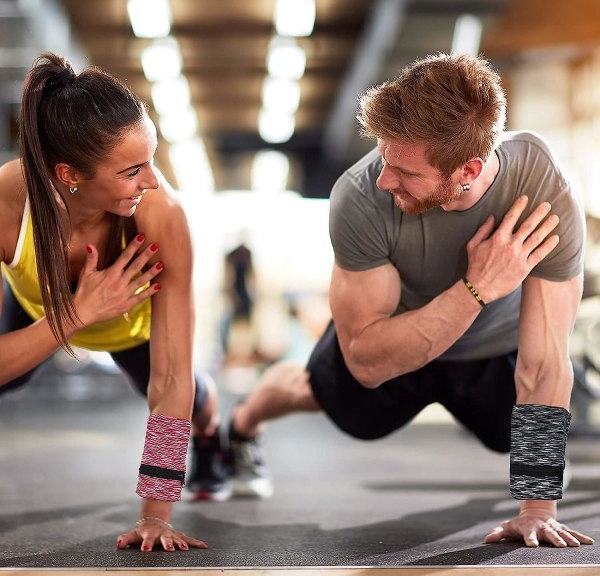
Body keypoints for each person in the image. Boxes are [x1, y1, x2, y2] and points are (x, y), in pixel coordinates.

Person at [224, 53, 595, 548]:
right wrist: (476, 288)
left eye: (403, 170)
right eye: (383, 157)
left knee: (525, 434)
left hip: (488, 352)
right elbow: (367, 364)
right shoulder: (358, 196)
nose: (384, 178)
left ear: (469, 168)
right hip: (391, 342)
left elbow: (545, 363)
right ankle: (243, 424)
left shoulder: (542, 188)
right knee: (316, 392)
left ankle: (535, 465)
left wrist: (536, 505)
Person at [0, 52, 229, 553]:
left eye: (153, 159)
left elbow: (171, 380)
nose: (151, 179)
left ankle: (216, 437)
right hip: (40, 309)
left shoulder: (162, 215)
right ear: (68, 173)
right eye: (131, 170)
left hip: (131, 325)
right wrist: (78, 313)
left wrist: (155, 513)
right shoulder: (5, 203)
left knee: (196, 398)